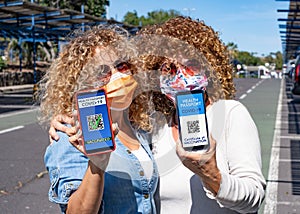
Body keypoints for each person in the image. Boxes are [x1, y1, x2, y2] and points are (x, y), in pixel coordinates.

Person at [131, 16, 266, 214]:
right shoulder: (156, 126)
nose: (181, 77)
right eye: (170, 68)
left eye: (191, 65)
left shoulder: (230, 114)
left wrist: (212, 174)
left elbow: (254, 197)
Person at [39, 25, 160, 214]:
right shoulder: (69, 136)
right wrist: (97, 165)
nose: (118, 76)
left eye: (121, 65)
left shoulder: (140, 127)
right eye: (102, 72)